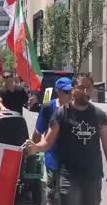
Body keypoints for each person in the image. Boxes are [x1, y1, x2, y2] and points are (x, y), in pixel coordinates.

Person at [26, 73, 107, 205]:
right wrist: (35, 147)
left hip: (93, 177)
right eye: (81, 87)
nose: (86, 91)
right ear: (73, 89)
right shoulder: (61, 113)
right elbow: (47, 142)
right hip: (69, 179)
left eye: (89, 88)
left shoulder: (99, 116)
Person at [32, 77, 73, 205]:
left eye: (71, 91)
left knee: (69, 197)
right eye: (66, 92)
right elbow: (37, 133)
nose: (70, 95)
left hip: (72, 163)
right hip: (53, 161)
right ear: (58, 92)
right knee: (53, 196)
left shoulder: (76, 108)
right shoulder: (48, 108)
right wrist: (33, 153)